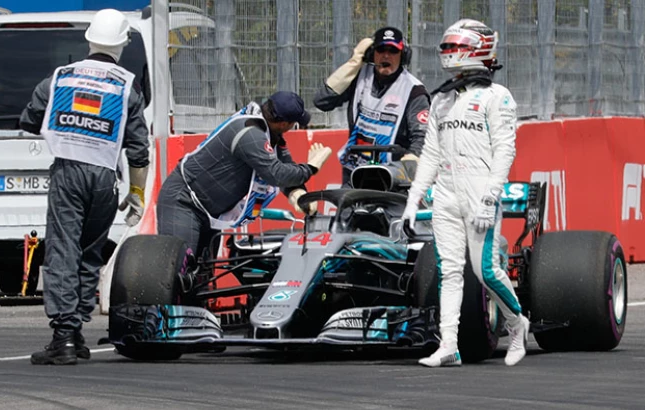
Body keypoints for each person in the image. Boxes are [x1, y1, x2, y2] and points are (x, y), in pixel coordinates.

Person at [19, 9, 150, 365]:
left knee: (63, 251)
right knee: (89, 254)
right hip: (105, 178)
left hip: (68, 173)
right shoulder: (128, 86)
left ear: (89, 38)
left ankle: (63, 336)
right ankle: (75, 333)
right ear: (123, 44)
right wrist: (137, 195)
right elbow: (139, 150)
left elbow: (30, 119)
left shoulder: (60, 77)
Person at [403, 19, 529, 367]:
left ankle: (517, 323)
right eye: (446, 47)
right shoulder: (441, 98)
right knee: (449, 271)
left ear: (478, 49)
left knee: (485, 270)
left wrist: (490, 196)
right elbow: (431, 153)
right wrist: (413, 199)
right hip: (445, 192)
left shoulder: (497, 97)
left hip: (479, 192)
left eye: (455, 47)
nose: (448, 53)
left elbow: (505, 151)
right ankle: (448, 346)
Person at [157, 91, 331, 261]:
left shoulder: (270, 132)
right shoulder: (250, 132)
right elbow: (276, 174)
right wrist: (311, 167)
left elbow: (286, 167)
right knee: (177, 268)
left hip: (210, 212)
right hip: (184, 202)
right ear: (284, 123)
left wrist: (299, 194)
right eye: (294, 123)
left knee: (201, 274)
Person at [314, 27, 431, 186]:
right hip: (354, 173)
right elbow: (321, 101)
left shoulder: (414, 90)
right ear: (372, 54)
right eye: (381, 50)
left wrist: (409, 168)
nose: (386, 56)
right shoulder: (358, 76)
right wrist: (353, 63)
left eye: (393, 51)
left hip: (391, 178)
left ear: (403, 55)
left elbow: (421, 138)